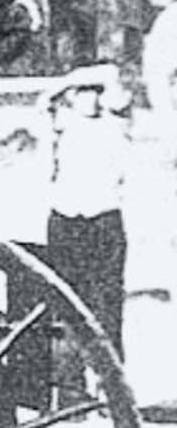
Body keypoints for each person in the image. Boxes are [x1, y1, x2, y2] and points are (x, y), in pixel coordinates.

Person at [41, 62, 131, 360]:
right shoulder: (61, 124)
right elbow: (44, 100)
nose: (89, 99)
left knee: (107, 302)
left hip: (104, 220)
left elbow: (112, 74)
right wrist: (69, 82)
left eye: (95, 92)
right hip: (66, 219)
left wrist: (77, 79)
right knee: (66, 300)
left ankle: (111, 377)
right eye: (82, 92)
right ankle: (70, 380)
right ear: (71, 96)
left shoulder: (116, 123)